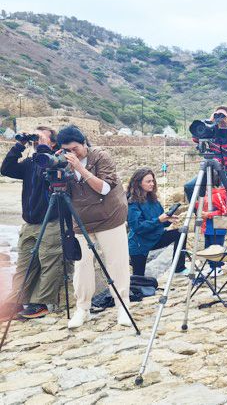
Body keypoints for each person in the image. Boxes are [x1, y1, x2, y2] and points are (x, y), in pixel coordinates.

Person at [56, 125, 132, 329]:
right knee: (82, 267)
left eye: (75, 148)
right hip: (81, 220)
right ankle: (83, 309)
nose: (71, 153)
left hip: (109, 217)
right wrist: (58, 171)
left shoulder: (101, 157)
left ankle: (123, 307)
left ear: (84, 143)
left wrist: (79, 168)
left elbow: (105, 188)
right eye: (66, 150)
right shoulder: (63, 162)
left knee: (117, 263)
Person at [0, 126, 64, 320]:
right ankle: (15, 302)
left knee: (48, 262)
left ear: (53, 142)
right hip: (29, 222)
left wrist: (44, 149)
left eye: (41, 136)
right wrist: (20, 145)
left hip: (50, 220)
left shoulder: (56, 159)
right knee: (24, 264)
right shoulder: (29, 162)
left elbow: (50, 173)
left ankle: (41, 303)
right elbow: (6, 169)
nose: (36, 139)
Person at [126, 168, 183, 277]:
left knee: (180, 233)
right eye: (148, 181)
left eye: (153, 181)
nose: (152, 184)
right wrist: (159, 220)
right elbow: (138, 227)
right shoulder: (132, 202)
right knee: (139, 279)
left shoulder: (152, 199)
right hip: (139, 244)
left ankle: (179, 268)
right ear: (138, 183)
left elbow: (159, 220)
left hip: (155, 238)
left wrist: (167, 220)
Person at [184, 106, 227, 200]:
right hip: (212, 170)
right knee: (189, 187)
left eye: (223, 115)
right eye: (217, 115)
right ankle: (198, 211)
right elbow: (195, 138)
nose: (220, 118)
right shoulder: (212, 130)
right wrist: (209, 121)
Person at [196, 170, 227, 277]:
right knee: (208, 247)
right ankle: (211, 267)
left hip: (217, 229)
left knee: (216, 248)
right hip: (208, 228)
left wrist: (208, 214)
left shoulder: (217, 195)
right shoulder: (205, 195)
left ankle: (218, 267)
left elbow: (223, 211)